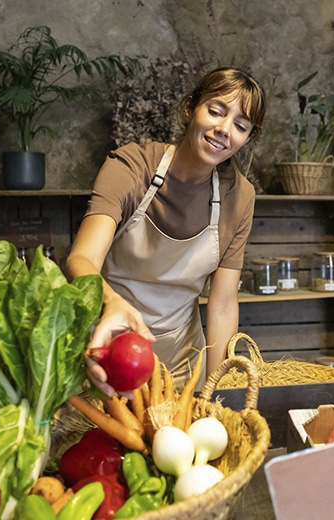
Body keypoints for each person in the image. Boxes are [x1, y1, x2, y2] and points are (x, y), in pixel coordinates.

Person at [65, 67, 267, 395]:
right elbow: (81, 259)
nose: (223, 130)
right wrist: (112, 303)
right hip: (106, 353)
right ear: (190, 108)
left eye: (240, 126)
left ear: (247, 138)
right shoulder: (131, 166)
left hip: (181, 367)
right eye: (215, 111)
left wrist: (215, 394)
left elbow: (223, 303)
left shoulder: (240, 197)